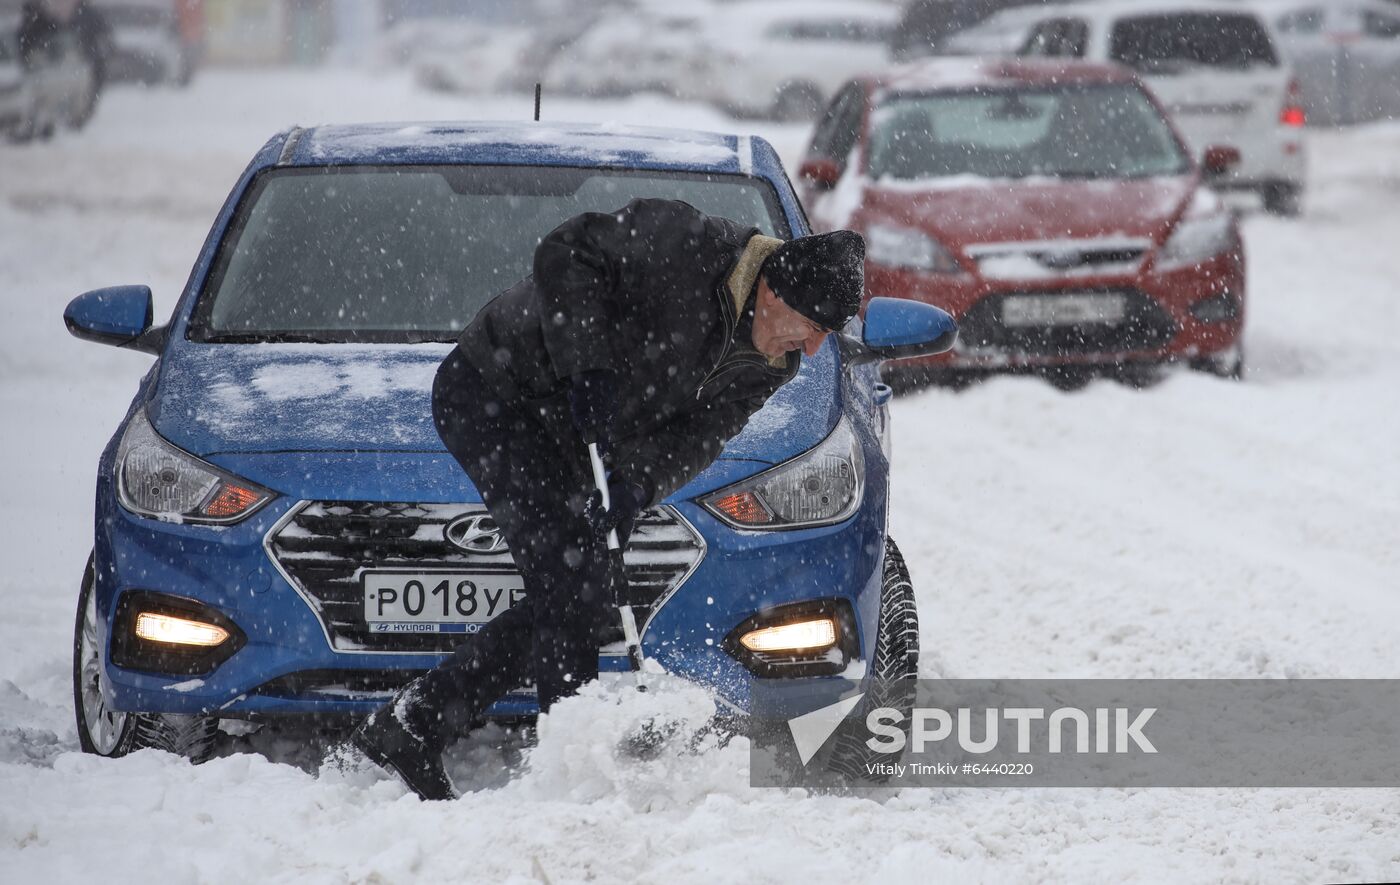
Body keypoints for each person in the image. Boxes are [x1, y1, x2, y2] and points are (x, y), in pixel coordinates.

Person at [349, 197, 866, 800]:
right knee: (570, 585)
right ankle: (563, 773)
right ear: (776, 290)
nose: (810, 351)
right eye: (814, 327)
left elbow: (700, 436)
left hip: (575, 439)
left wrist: (636, 485)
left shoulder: (772, 362)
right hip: (498, 393)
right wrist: (586, 366)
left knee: (586, 592)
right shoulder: (684, 243)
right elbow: (565, 252)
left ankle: (416, 724)